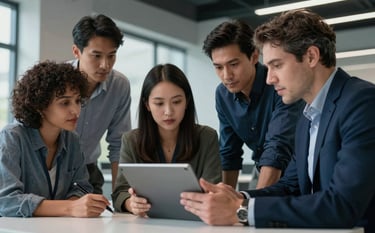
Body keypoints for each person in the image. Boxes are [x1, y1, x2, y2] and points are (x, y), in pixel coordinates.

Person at [180, 9, 375, 233]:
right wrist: (238, 198)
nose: (270, 79)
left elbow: (342, 205)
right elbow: (290, 186)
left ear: (311, 56)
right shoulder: (308, 117)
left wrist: (241, 212)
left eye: (277, 65)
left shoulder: (362, 102)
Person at [0, 61, 111, 217]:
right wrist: (70, 208)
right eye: (65, 103)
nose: (76, 110)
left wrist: (78, 205)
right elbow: (6, 202)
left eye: (78, 101)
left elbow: (82, 187)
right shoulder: (12, 137)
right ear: (40, 106)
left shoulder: (72, 140)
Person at [202, 19, 303, 189]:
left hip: (298, 173)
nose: (226, 75)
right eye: (218, 67)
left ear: (254, 56)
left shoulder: (279, 84)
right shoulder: (223, 94)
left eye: (233, 64)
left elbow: (277, 148)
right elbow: (229, 152)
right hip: (262, 169)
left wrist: (253, 206)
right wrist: (226, 201)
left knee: (255, 210)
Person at [112, 64, 222, 216]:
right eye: (159, 103)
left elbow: (214, 189)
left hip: (196, 224)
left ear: (187, 101)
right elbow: (120, 193)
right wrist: (131, 204)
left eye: (176, 102)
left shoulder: (207, 137)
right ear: (147, 105)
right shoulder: (131, 141)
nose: (169, 111)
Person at [69, 14, 132, 193]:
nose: (105, 65)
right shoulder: (58, 81)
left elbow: (118, 143)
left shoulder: (119, 85)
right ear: (76, 51)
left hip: (89, 170)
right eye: (96, 56)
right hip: (51, 169)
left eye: (111, 55)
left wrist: (120, 198)